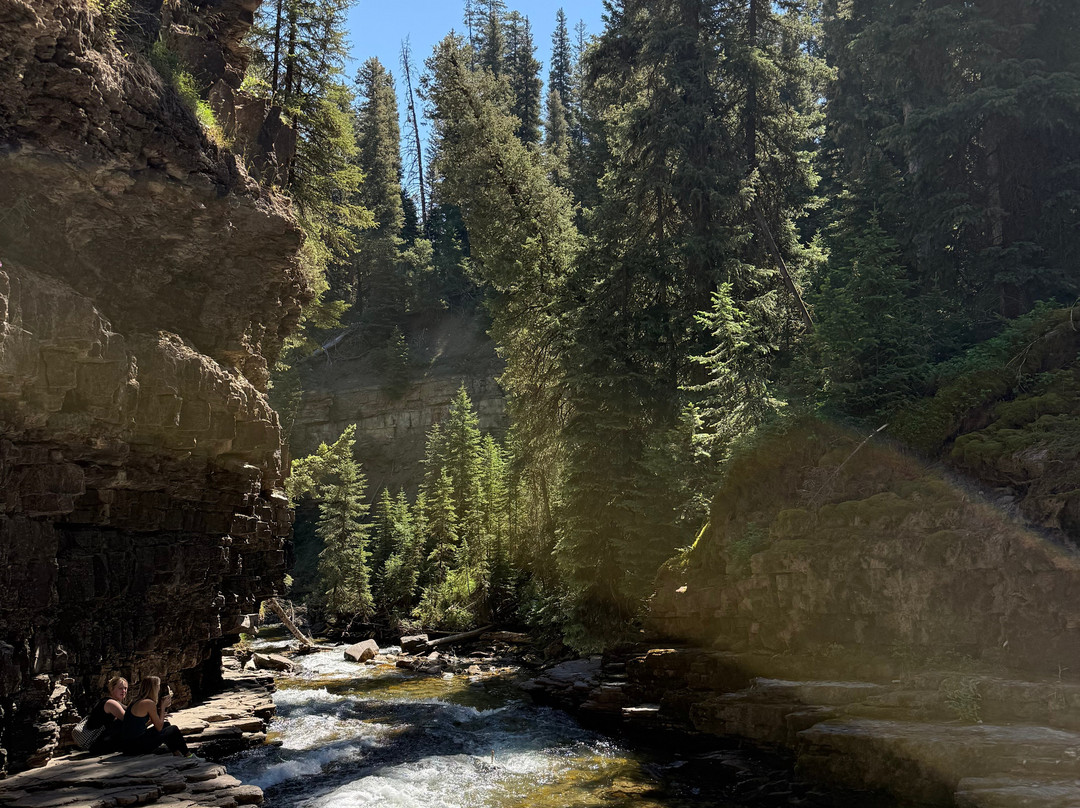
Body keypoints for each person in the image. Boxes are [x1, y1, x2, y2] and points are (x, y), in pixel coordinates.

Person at [118, 676, 191, 757]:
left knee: (166, 725)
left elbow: (137, 725)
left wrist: (155, 718)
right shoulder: (148, 703)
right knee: (173, 729)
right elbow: (159, 727)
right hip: (136, 747)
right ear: (154, 688)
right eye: (158, 686)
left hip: (128, 746)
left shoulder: (135, 701)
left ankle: (176, 753)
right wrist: (163, 707)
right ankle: (188, 754)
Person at [81, 676, 127, 753]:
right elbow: (129, 719)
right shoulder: (110, 703)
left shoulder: (109, 701)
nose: (123, 691)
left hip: (98, 744)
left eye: (125, 688)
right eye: (120, 688)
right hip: (99, 745)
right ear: (112, 689)